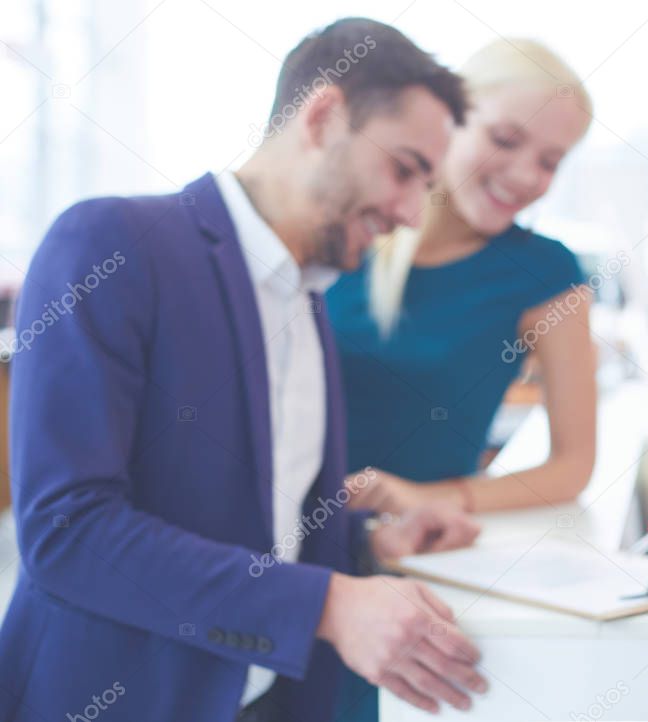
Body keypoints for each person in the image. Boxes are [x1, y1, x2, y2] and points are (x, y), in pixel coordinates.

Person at [0, 18, 490, 722]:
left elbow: (249, 522)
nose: (412, 213)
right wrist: (329, 603)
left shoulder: (309, 298)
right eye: (404, 169)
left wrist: (368, 542)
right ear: (322, 116)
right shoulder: (110, 242)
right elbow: (66, 531)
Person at [325, 38, 597, 517]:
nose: (523, 175)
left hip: (426, 548)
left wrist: (428, 500)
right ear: (449, 118)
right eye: (505, 140)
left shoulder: (546, 273)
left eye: (549, 161)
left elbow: (571, 467)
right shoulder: (349, 232)